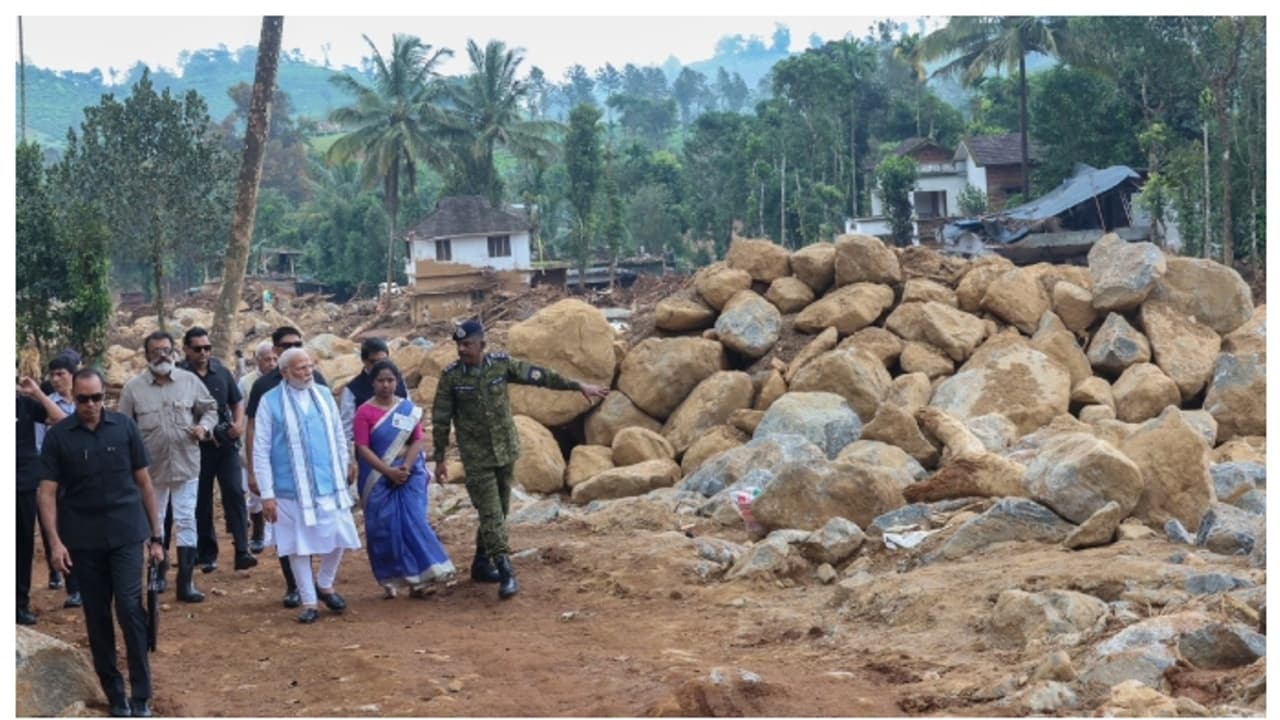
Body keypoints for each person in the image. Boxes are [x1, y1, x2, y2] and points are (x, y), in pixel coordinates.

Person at [432, 319, 609, 599]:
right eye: (459, 345)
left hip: (505, 451)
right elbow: (440, 418)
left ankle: (480, 563)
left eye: (467, 344)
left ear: (482, 345)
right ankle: (505, 570)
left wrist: (577, 386)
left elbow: (539, 375)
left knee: (498, 512)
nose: (462, 350)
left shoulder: (501, 365)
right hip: (476, 457)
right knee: (491, 512)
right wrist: (440, 457)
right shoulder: (451, 377)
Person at [38, 369, 164, 718]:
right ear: (72, 396)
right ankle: (115, 694)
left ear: (104, 395)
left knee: (129, 608)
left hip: (126, 533)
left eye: (97, 398)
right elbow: (46, 492)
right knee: (97, 617)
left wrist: (156, 537)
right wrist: (55, 543)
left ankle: (142, 693)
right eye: (83, 399)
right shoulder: (59, 437)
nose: (91, 405)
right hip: (83, 540)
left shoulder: (124, 428)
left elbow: (144, 483)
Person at [253, 348, 360, 624]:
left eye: (310, 366)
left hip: (328, 482)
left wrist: (346, 463)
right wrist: (267, 494)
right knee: (297, 547)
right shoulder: (270, 401)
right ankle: (309, 601)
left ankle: (325, 583)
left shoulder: (323, 395)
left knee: (340, 535)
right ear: (285, 372)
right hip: (289, 488)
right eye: (301, 368)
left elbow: (338, 433)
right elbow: (261, 449)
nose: (307, 372)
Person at [118, 331, 217, 603]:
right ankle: (157, 575)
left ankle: (186, 583)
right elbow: (122, 428)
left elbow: (210, 408)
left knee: (187, 519)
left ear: (174, 352)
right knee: (155, 521)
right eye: (155, 350)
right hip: (150, 471)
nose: (162, 354)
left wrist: (204, 428)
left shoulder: (189, 381)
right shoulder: (133, 389)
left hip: (186, 463)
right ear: (146, 355)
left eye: (166, 349)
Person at [353, 360, 455, 598]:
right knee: (384, 528)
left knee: (414, 522)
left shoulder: (407, 408)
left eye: (390, 380)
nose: (386, 385)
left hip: (409, 474)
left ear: (397, 382)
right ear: (373, 383)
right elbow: (362, 448)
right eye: (381, 380)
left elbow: (417, 440)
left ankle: (421, 579)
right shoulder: (364, 413)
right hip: (378, 477)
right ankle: (392, 579)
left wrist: (406, 468)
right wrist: (388, 472)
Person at [245, 326, 330, 608]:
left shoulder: (315, 380)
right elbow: (253, 430)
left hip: (316, 474)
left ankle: (322, 583)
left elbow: (329, 424)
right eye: (286, 344)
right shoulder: (263, 387)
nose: (292, 347)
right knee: (287, 533)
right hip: (279, 473)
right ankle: (294, 586)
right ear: (275, 349)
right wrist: (254, 472)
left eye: (298, 342)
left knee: (328, 527)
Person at [176, 327, 256, 574]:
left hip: (225, 444)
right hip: (194, 447)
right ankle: (206, 553)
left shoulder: (220, 371)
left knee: (234, 491)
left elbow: (236, 401)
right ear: (186, 349)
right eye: (198, 348)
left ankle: (243, 549)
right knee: (201, 500)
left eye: (207, 348)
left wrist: (238, 423)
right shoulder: (178, 375)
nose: (203, 353)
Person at [17, 375, 67, 625]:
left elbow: (60, 419)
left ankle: (19, 603)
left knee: (22, 544)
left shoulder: (25, 404)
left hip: (23, 484)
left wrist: (36, 392)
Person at [36, 351, 83, 607]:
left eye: (60, 374)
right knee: (66, 530)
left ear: (72, 375)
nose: (55, 379)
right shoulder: (45, 405)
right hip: (59, 475)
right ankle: (73, 587)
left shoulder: (86, 401)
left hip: (85, 474)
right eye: (52, 375)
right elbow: (40, 444)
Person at [239, 341, 276, 554]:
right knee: (254, 494)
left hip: (275, 444)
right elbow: (243, 416)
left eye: (274, 359)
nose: (271, 363)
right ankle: (258, 532)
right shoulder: (246, 383)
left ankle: (273, 535)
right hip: (251, 445)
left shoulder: (283, 380)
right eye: (267, 359)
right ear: (257, 360)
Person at [339, 337, 408, 446]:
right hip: (369, 452)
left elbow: (410, 415)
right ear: (364, 360)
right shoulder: (352, 390)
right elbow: (347, 431)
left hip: (400, 450)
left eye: (384, 361)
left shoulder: (399, 382)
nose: (379, 366)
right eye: (374, 362)